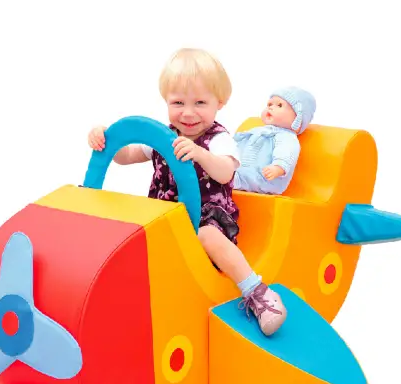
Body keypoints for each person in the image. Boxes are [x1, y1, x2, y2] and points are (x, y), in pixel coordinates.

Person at [87, 48, 287, 336]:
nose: (188, 112)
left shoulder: (219, 139)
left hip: (207, 218)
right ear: (166, 101)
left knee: (205, 235)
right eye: (178, 102)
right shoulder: (163, 136)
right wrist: (106, 140)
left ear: (220, 102)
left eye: (200, 102)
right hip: (166, 219)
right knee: (131, 234)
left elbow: (225, 172)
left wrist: (200, 154)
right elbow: (127, 156)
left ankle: (257, 292)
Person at [233, 86, 316, 195]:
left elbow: (286, 152)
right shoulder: (259, 130)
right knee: (226, 171)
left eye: (279, 105)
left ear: (298, 119)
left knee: (229, 176)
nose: (271, 108)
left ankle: (229, 178)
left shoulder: (286, 136)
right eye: (269, 104)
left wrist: (278, 167)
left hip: (266, 179)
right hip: (247, 173)